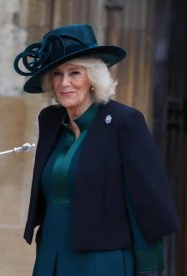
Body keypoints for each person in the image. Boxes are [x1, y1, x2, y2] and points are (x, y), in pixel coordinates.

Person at [13, 24, 180, 275]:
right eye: (57, 74)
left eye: (75, 73)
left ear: (92, 77)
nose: (64, 83)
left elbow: (143, 202)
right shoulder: (50, 121)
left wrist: (148, 267)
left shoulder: (124, 121)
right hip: (51, 256)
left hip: (102, 262)